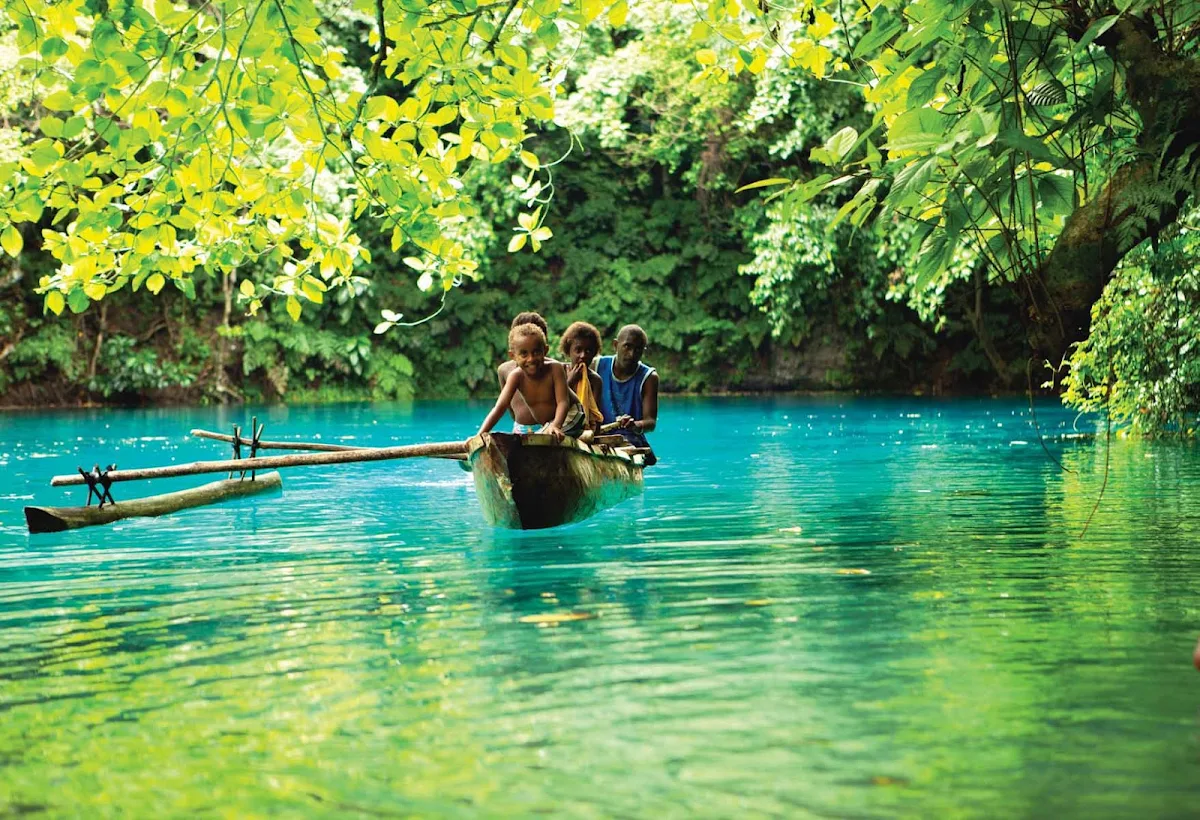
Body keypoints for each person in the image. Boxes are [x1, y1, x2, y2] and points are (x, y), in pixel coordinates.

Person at [479, 322, 582, 440]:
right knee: (532, 438)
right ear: (513, 356)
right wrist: (479, 435)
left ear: (545, 350)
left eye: (536, 352)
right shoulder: (515, 376)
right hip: (549, 423)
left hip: (572, 414)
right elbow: (499, 408)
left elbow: (563, 402)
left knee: (541, 438)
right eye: (524, 354)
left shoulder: (555, 369)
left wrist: (555, 425)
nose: (531, 359)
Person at [596, 324, 658, 463]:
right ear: (615, 345)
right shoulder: (597, 365)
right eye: (627, 347)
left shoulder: (649, 377)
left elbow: (650, 422)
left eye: (638, 349)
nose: (632, 354)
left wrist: (634, 425)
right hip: (598, 436)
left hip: (630, 440)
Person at [560, 321, 604, 434]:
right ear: (568, 351)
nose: (583, 356)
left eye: (588, 351)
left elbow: (595, 415)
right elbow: (552, 404)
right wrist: (570, 381)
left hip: (584, 431)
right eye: (578, 350)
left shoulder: (595, 380)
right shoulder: (559, 371)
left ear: (594, 354)